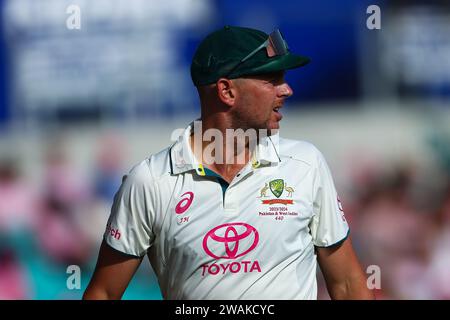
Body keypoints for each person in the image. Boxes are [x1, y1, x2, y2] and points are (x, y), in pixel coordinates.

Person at [83, 26, 374, 300]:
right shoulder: (150, 181)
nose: (286, 90)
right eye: (272, 79)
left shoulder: (305, 164)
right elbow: (104, 293)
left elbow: (347, 285)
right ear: (226, 91)